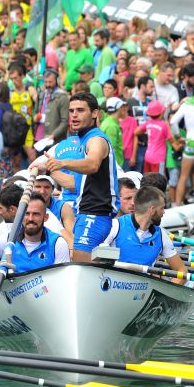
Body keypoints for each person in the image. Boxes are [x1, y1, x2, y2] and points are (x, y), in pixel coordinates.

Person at [41, 92, 120, 262]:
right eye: (71, 111)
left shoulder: (96, 139)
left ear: (95, 113)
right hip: (86, 212)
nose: (74, 115)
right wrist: (51, 169)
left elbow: (92, 164)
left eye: (80, 110)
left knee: (80, 263)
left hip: (96, 213)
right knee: (79, 260)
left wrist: (62, 163)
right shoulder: (84, 140)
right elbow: (74, 184)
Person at [103, 187, 188, 284]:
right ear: (151, 210)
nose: (164, 212)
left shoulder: (161, 236)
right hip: (114, 284)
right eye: (162, 208)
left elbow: (182, 271)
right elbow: (94, 258)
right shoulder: (115, 226)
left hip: (142, 291)